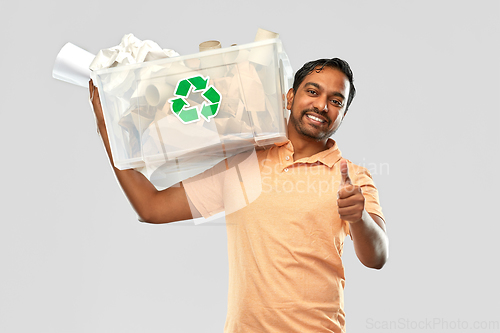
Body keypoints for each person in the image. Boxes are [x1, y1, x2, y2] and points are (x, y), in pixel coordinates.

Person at [89, 57, 388, 333]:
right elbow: (151, 207)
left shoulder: (353, 177)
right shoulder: (247, 163)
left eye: (336, 101)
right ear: (290, 97)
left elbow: (377, 256)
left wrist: (359, 216)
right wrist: (106, 128)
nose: (322, 105)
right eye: (313, 91)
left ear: (344, 113)